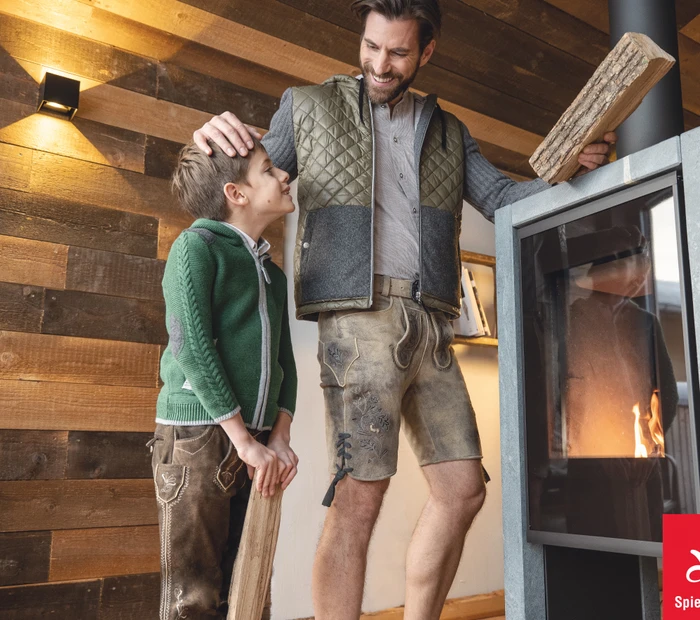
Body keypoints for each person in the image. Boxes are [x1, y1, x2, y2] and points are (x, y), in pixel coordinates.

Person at [192, 2, 616, 618]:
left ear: (427, 52)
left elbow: (501, 198)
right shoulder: (306, 106)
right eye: (370, 47)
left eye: (396, 53)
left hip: (431, 321)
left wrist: (568, 173)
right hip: (358, 321)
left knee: (463, 490)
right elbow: (244, 179)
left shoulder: (447, 129)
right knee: (359, 500)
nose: (378, 64)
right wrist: (210, 141)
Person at [149, 138, 299, 620]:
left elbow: (285, 363)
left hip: (252, 442)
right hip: (197, 439)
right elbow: (190, 347)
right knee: (193, 601)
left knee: (250, 592)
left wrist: (278, 439)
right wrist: (242, 439)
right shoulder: (196, 247)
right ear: (236, 193)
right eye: (269, 168)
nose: (284, 177)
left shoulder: (272, 274)